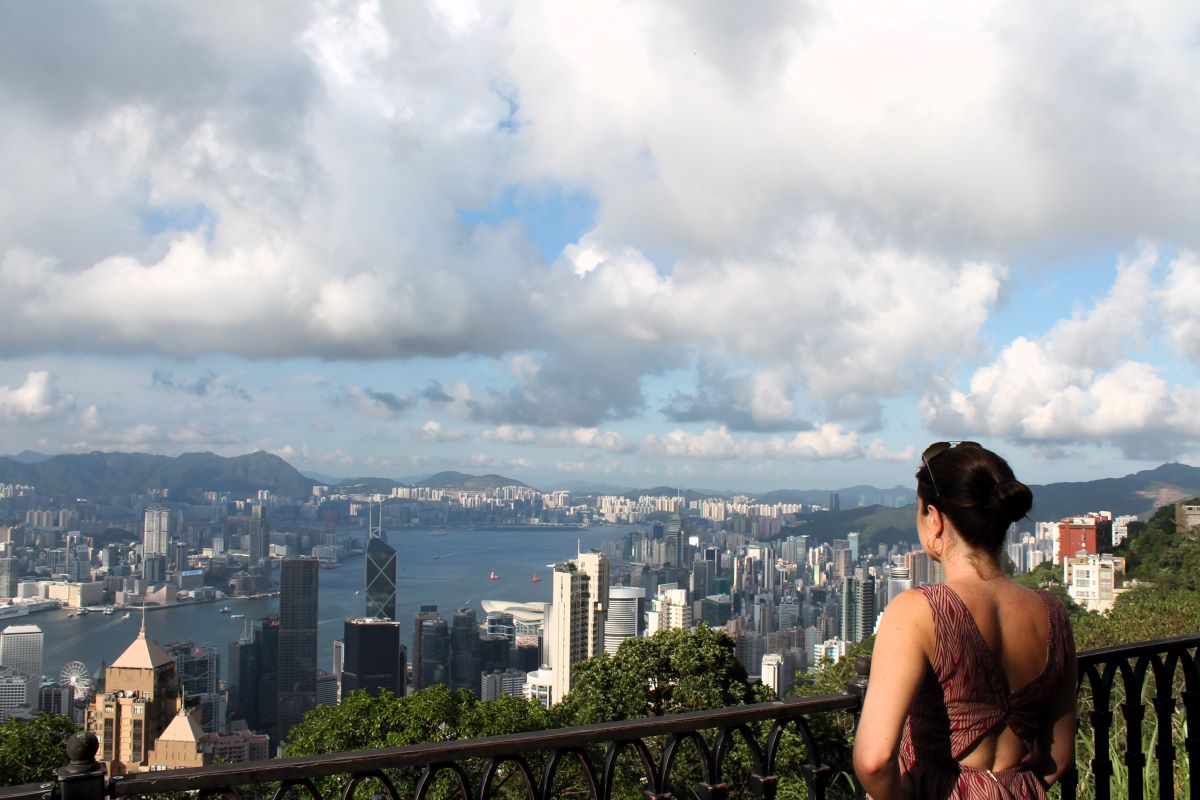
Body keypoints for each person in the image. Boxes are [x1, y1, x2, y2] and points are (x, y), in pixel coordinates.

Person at [853, 442, 1076, 799]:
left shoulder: (918, 611)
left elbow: (874, 761)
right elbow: (1059, 756)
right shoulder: (1052, 613)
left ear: (934, 519)